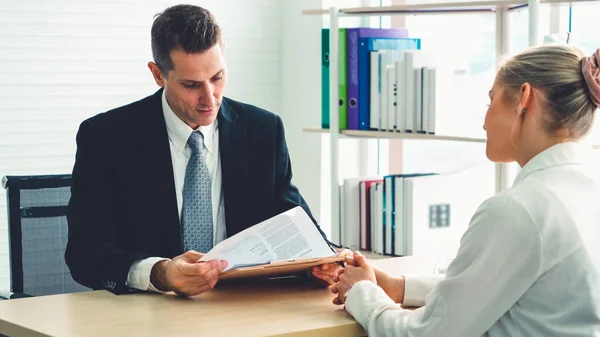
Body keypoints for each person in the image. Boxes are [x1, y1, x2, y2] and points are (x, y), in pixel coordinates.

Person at [65, 4, 341, 296]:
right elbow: (84, 254)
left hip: (243, 308)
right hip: (149, 312)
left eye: (217, 77)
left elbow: (295, 222)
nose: (209, 99)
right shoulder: (107, 138)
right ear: (158, 75)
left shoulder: (262, 131)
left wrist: (323, 260)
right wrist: (159, 273)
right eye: (191, 85)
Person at [331, 44, 600, 336]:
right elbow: (499, 283)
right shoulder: (586, 186)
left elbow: (424, 334)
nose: (484, 123)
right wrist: (398, 287)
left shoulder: (520, 210)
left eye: (491, 101)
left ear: (524, 97)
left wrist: (361, 292)